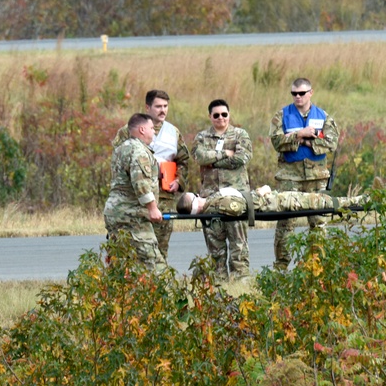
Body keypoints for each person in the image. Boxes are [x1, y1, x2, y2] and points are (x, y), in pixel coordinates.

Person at [269, 77, 339, 270]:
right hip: (289, 178)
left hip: (317, 178)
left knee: (318, 223)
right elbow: (276, 141)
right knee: (286, 224)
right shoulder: (281, 115)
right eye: (294, 94)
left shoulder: (323, 116)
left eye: (301, 93)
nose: (298, 97)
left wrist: (308, 141)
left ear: (310, 93)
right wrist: (299, 134)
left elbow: (331, 143)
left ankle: (316, 266)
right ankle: (281, 266)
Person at [112, 89, 190, 262]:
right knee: (130, 247)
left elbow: (183, 161)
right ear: (147, 107)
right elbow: (118, 160)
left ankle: (156, 283)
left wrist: (179, 180)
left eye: (165, 106)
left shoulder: (173, 132)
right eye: (158, 106)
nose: (162, 110)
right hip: (135, 199)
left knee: (160, 247)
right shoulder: (128, 131)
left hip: (164, 196)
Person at [192, 99, 252, 280]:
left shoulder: (240, 134)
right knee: (215, 247)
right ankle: (219, 284)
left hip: (236, 199)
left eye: (224, 114)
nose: (221, 118)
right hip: (210, 199)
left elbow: (242, 158)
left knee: (238, 245)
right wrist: (225, 153)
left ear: (229, 115)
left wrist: (213, 162)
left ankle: (241, 282)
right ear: (210, 116)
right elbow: (199, 157)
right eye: (216, 115)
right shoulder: (202, 137)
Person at [104, 113, 165, 270]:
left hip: (115, 212)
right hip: (132, 215)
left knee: (121, 261)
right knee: (154, 264)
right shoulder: (139, 151)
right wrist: (152, 208)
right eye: (152, 128)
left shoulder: (120, 149)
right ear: (142, 129)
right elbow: (140, 182)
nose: (154, 132)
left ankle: (118, 293)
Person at [176, 187, 363, 217]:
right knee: (322, 201)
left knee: (321, 200)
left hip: (274, 200)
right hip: (274, 202)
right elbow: (242, 206)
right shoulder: (215, 205)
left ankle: (357, 201)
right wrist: (260, 192)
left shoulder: (213, 203)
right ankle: (360, 201)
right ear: (194, 201)